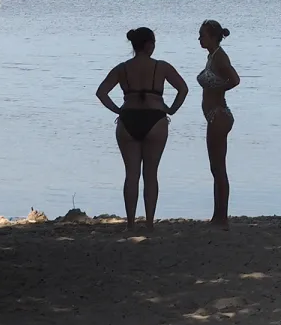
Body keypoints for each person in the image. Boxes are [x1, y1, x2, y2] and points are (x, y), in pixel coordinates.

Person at [96, 27, 189, 229]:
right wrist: (171, 109)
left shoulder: (122, 68)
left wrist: (118, 110)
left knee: (131, 175)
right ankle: (148, 223)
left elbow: (101, 92)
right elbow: (183, 88)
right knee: (151, 174)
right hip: (155, 119)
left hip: (128, 119)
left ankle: (130, 223)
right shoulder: (161, 67)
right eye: (153, 43)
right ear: (148, 45)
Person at [197, 19, 240, 228]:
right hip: (215, 115)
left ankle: (222, 218)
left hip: (219, 115)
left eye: (202, 35)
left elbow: (235, 79)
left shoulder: (220, 57)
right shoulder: (212, 56)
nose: (199, 38)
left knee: (218, 168)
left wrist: (218, 87)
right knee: (215, 168)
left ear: (214, 37)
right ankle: (218, 215)